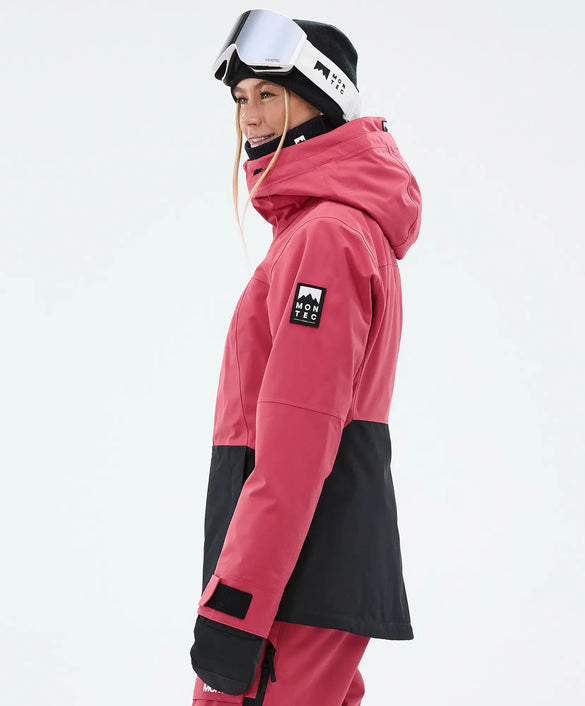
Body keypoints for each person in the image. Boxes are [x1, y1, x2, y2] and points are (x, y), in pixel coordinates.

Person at [190, 10, 422, 706]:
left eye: (269, 94)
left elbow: (296, 443)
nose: (251, 117)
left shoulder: (326, 236)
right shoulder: (323, 228)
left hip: (293, 578)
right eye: (241, 99)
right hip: (300, 570)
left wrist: (237, 605)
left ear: (321, 97)